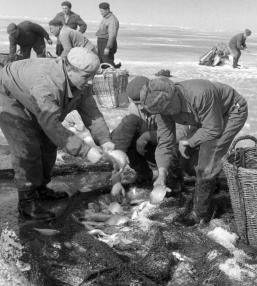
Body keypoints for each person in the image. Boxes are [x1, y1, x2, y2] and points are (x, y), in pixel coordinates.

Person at [0, 47, 119, 221]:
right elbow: (52, 125)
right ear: (69, 69)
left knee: (48, 143)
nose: (90, 81)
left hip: (33, 93)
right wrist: (86, 151)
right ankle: (26, 201)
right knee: (26, 146)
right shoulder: (47, 85)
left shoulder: (82, 84)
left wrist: (105, 140)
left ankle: (40, 188)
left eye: (93, 76)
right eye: (86, 76)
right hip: (8, 94)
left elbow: (92, 114)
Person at [140, 77, 248, 226]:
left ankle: (200, 213)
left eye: (169, 108)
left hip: (231, 111)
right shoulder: (162, 109)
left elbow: (213, 129)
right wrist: (162, 173)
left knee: (208, 158)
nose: (168, 113)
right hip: (203, 119)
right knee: (187, 160)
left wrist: (189, 141)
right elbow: (165, 142)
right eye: (163, 111)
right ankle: (209, 184)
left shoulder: (200, 94)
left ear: (176, 94)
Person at [110, 76, 188, 199]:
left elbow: (181, 134)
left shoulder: (165, 103)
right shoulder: (134, 110)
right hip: (146, 150)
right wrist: (116, 181)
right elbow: (120, 141)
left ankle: (172, 179)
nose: (140, 108)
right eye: (136, 104)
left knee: (172, 144)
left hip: (165, 147)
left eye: (141, 103)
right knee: (124, 129)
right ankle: (145, 174)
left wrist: (148, 136)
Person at [96, 2, 120, 68]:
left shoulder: (112, 20)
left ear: (107, 10)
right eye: (100, 11)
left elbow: (112, 35)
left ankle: (114, 75)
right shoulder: (105, 18)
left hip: (106, 43)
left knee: (107, 62)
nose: (101, 12)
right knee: (101, 62)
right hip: (102, 43)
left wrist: (108, 47)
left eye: (102, 11)